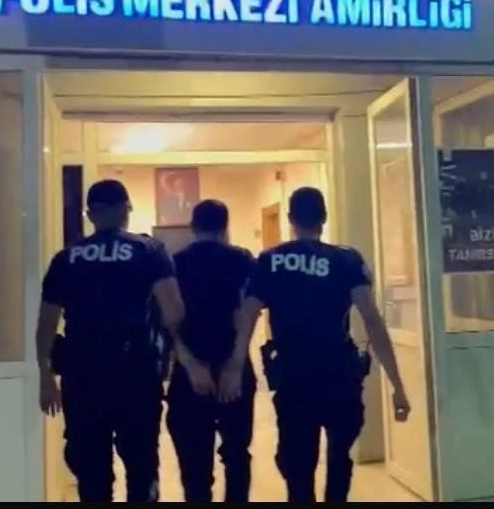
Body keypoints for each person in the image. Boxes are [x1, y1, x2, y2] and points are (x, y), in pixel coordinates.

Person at [218, 187, 411, 503]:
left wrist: (235, 366)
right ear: (324, 217)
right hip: (339, 375)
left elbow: (247, 317)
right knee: (339, 459)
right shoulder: (346, 260)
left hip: (294, 378)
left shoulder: (270, 260)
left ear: (291, 219)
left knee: (297, 467)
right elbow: (372, 321)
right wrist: (397, 386)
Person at [35, 179, 185, 502]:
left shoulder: (66, 258)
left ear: (91, 214)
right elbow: (174, 312)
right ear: (125, 209)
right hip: (136, 373)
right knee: (141, 466)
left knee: (91, 471)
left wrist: (46, 378)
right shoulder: (148, 250)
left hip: (82, 377)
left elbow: (46, 325)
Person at [166, 199, 256, 502]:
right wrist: (235, 365)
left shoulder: (174, 263)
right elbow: (246, 314)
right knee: (237, 455)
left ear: (193, 226)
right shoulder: (242, 259)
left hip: (190, 372)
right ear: (225, 227)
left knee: (195, 464)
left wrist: (189, 364)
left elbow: (169, 320)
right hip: (233, 367)